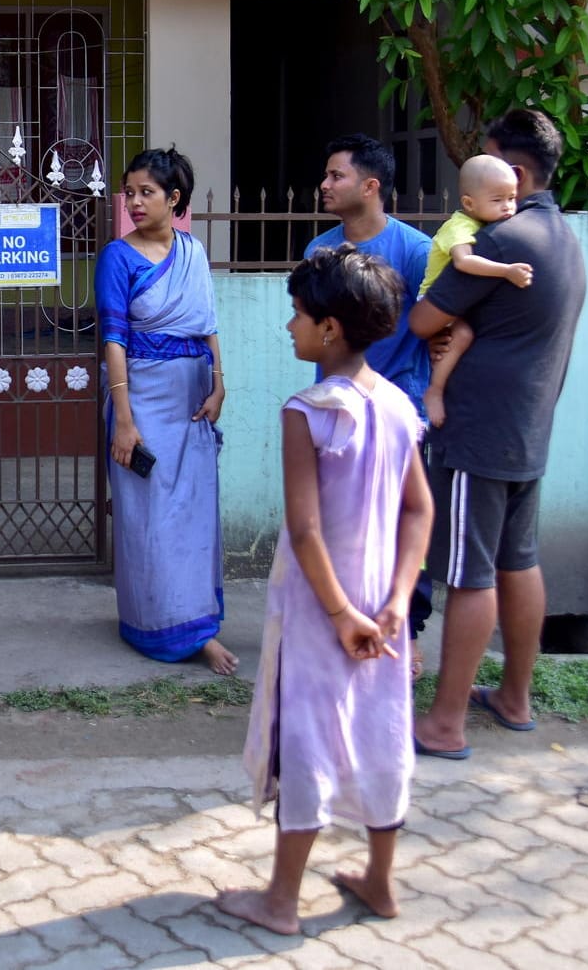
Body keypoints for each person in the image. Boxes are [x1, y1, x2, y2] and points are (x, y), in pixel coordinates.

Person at [216, 246, 433, 935]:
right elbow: (419, 509)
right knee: (382, 728)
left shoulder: (307, 410)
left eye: (300, 315)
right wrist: (397, 599)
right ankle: (380, 879)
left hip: (321, 606)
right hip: (381, 605)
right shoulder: (398, 405)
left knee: (304, 737)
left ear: (330, 328)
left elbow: (305, 530)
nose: (290, 326)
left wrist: (340, 613)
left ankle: (281, 899)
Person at [409, 109, 587, 761]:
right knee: (519, 559)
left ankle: (445, 724)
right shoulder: (564, 238)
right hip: (528, 431)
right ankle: (514, 698)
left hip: (478, 431)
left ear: (511, 173)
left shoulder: (504, 240)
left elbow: (426, 317)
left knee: (469, 573)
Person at [97, 147, 235, 675]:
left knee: (193, 514)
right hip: (144, 402)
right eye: (128, 192)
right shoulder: (118, 256)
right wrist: (125, 419)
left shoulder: (193, 253)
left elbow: (208, 324)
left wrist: (219, 386)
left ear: (173, 199)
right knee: (149, 517)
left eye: (145, 192)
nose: (133, 201)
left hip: (193, 403)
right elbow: (113, 340)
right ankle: (152, 624)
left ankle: (198, 628)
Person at [304, 133, 437, 677]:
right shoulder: (321, 252)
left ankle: (406, 629)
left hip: (398, 408)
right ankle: (340, 618)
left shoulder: (415, 250)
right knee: (339, 523)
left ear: (371, 185)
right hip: (334, 409)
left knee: (399, 524)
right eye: (328, 175)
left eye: (337, 176)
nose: (325, 185)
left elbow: (440, 327)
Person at [419, 154, 532, 428]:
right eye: (498, 200)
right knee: (463, 335)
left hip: (459, 302)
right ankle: (434, 390)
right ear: (469, 203)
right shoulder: (458, 227)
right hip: (433, 300)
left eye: (511, 198)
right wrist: (506, 271)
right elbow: (464, 262)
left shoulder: (486, 224)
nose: (507, 207)